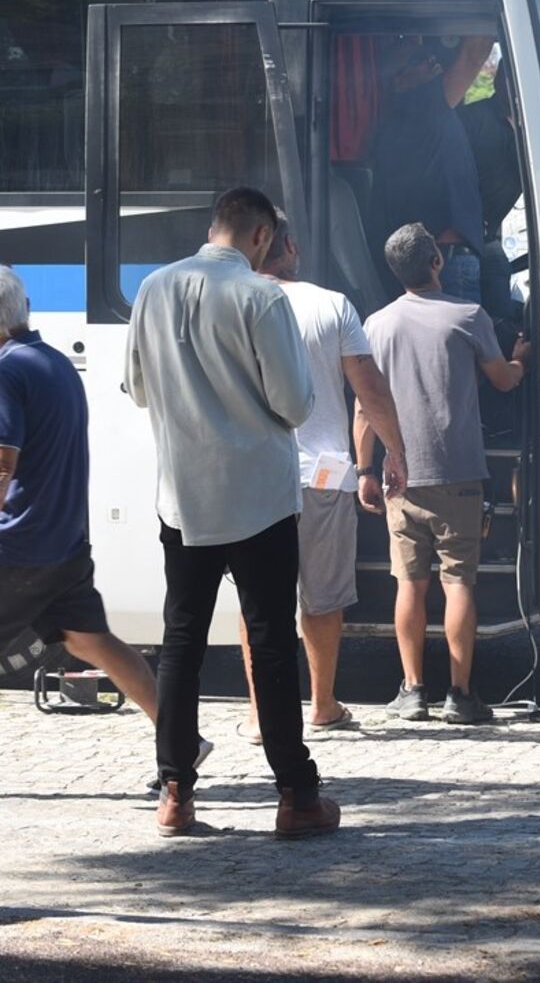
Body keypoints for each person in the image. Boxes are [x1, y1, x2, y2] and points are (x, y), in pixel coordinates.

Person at [125, 186, 339, 840]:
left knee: (181, 643)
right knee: (271, 645)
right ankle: (296, 796)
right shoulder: (261, 297)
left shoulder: (153, 288)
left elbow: (137, 389)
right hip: (258, 498)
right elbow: (294, 404)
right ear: (260, 237)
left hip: (183, 497)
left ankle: (175, 793)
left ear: (215, 224)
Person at [0, 266, 215, 772]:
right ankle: (182, 739)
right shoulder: (53, 362)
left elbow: (3, 462)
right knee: (91, 640)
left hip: (20, 545)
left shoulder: (7, 370)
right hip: (64, 542)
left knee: (92, 641)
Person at [235, 210, 407, 742]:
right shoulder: (332, 305)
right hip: (325, 475)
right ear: (290, 247)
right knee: (323, 597)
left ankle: (260, 714)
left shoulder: (230, 303)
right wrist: (394, 451)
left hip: (251, 478)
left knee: (258, 600)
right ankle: (323, 703)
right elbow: (368, 388)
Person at [356, 223, 531, 724]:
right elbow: (503, 381)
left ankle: (413, 692)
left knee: (409, 585)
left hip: (401, 477)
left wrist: (366, 469)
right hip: (459, 473)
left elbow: (365, 407)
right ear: (437, 262)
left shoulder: (376, 325)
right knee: (458, 583)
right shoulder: (469, 316)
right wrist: (520, 360)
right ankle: (460, 695)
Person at [367, 34, 495, 303]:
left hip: (437, 261)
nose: (432, 62)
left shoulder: (395, 119)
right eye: (419, 60)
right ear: (398, 78)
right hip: (446, 262)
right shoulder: (421, 104)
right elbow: (474, 55)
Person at [456, 56, 522, 324]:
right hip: (460, 243)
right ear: (497, 81)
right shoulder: (471, 120)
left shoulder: (533, 129)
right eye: (508, 78)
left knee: (502, 319)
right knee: (469, 326)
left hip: (490, 238)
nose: (514, 86)